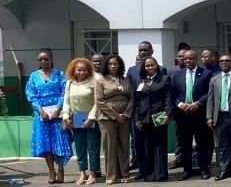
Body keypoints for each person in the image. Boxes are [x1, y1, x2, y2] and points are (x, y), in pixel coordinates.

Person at [169, 50, 213, 181]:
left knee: (202, 143)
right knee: (184, 143)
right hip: (182, 114)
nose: (188, 61)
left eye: (191, 58)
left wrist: (198, 103)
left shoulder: (205, 73)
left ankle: (204, 169)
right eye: (185, 59)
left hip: (199, 113)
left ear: (196, 59)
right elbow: (172, 94)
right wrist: (179, 104)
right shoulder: (177, 75)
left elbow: (210, 92)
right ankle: (187, 170)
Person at [132, 57, 172, 182]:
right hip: (144, 117)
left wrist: (168, 114)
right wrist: (136, 118)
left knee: (160, 145)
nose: (150, 67)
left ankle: (161, 174)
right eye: (147, 66)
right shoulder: (140, 80)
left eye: (152, 65)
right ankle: (149, 174)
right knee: (147, 145)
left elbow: (168, 98)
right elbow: (137, 100)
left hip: (159, 115)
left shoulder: (164, 79)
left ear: (157, 65)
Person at [95, 55, 132, 185]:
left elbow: (132, 98)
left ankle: (124, 174)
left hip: (124, 117)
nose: (112, 66)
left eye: (115, 64)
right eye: (110, 64)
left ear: (119, 65)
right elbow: (99, 101)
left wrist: (125, 114)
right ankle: (111, 175)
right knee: (110, 146)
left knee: (124, 145)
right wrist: (115, 116)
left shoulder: (126, 80)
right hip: (107, 117)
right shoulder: (101, 81)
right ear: (106, 66)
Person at [62, 58, 98, 185]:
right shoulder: (70, 83)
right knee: (80, 147)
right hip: (76, 118)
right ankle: (82, 173)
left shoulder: (93, 82)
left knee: (93, 147)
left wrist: (90, 118)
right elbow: (66, 101)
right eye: (79, 70)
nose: (81, 72)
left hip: (91, 118)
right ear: (74, 70)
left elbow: (97, 102)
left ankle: (92, 174)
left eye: (84, 70)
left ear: (88, 71)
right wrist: (66, 117)